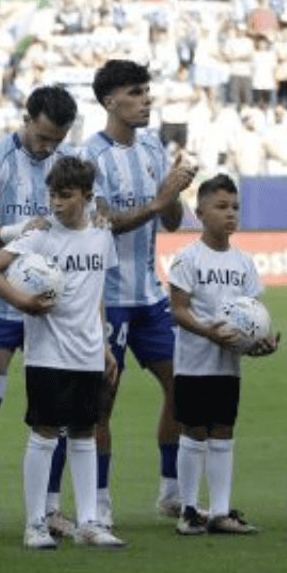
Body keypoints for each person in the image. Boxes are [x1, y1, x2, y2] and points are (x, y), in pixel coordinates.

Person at [0, 156, 125, 551]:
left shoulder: (101, 236)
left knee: (84, 433)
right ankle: (35, 523)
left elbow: (96, 294)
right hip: (47, 353)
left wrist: (105, 345)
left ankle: (90, 521)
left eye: (66, 196)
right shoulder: (39, 235)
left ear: (87, 197)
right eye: (53, 195)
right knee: (44, 434)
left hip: (89, 351)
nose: (57, 203)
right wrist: (21, 301)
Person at [0, 86, 79, 541]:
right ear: (26, 120)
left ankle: (50, 509)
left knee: (55, 412)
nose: (48, 148)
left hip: (50, 307)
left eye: (57, 141)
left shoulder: (69, 163)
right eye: (43, 137)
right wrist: (16, 229)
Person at [84, 59, 193, 525]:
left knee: (181, 387)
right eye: (136, 92)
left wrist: (174, 192)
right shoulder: (90, 157)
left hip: (150, 295)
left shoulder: (152, 147)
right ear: (111, 101)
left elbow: (170, 220)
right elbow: (104, 223)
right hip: (107, 298)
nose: (147, 100)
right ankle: (100, 502)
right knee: (103, 400)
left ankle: (170, 492)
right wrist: (159, 199)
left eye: (148, 91)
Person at [166, 175, 275, 536]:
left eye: (235, 208)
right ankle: (189, 510)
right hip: (194, 363)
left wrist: (260, 343)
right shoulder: (187, 258)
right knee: (194, 430)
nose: (230, 214)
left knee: (224, 431)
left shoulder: (244, 262)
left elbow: (254, 316)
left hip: (228, 368)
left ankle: (221, 511)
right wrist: (209, 333)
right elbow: (178, 310)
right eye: (221, 207)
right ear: (199, 213)